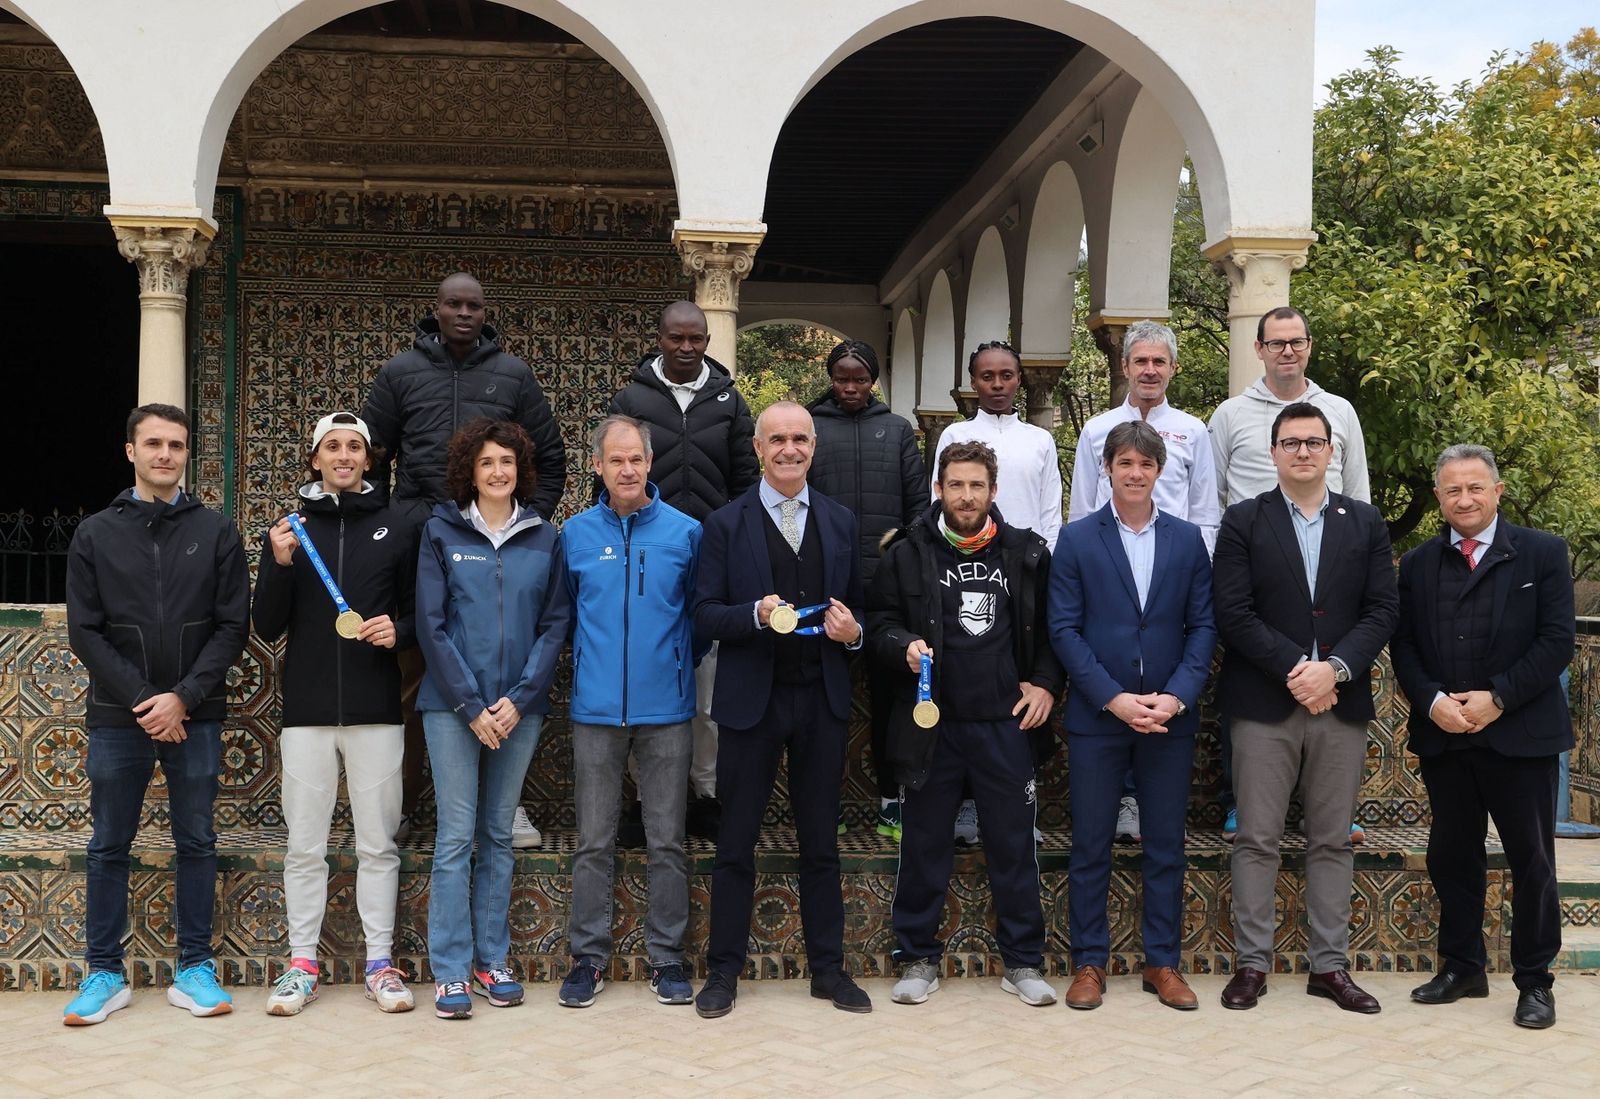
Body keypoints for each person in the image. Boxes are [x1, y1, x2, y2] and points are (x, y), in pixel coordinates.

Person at [362, 271, 566, 848]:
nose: (464, 314)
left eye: (474, 305)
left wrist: (529, 521)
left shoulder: (513, 374)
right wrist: (396, 523)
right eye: (453, 304)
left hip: (498, 547)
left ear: (485, 311)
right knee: (410, 675)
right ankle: (400, 804)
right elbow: (371, 457)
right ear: (436, 308)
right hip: (421, 543)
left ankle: (506, 805)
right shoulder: (401, 372)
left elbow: (549, 457)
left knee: (500, 671)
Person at [62, 404, 249, 1026]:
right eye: (153, 444)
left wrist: (184, 698)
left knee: (196, 841)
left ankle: (194, 968)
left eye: (176, 444)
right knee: (109, 844)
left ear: (187, 453)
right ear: (130, 451)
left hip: (196, 714)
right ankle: (103, 974)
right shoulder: (95, 534)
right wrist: (148, 701)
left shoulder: (217, 531)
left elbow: (231, 627)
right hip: (119, 717)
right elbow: (86, 633)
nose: (165, 454)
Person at [1212, 402, 1397, 1014]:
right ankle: (1252, 964)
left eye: (1314, 442)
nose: (1303, 452)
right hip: (1266, 701)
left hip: (1340, 704)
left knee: (1332, 839)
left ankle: (1330, 968)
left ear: (1331, 452)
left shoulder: (1365, 522)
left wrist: (1335, 669)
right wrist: (1299, 667)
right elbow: (1233, 612)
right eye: (1290, 443)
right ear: (1272, 453)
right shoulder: (1243, 521)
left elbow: (1382, 611)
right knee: (1258, 838)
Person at [691, 401, 870, 1019]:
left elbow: (863, 612)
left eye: (800, 439)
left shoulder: (843, 522)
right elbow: (705, 612)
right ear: (758, 450)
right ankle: (722, 973)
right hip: (751, 703)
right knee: (735, 841)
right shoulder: (725, 524)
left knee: (822, 843)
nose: (789, 449)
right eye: (778, 440)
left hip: (821, 700)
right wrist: (753, 615)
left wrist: (855, 635)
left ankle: (829, 970)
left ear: (813, 448)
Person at [872, 440, 1063, 1010]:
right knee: (924, 845)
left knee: (1013, 847)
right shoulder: (906, 552)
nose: (965, 495)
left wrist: (1046, 685)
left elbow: (1053, 632)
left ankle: (1024, 962)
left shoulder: (1026, 553)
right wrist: (901, 644)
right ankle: (917, 959)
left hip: (1004, 726)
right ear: (939, 488)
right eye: (955, 484)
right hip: (932, 725)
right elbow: (877, 621)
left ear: (994, 491)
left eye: (976, 485)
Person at [1391, 445, 1574, 1030]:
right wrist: (1434, 701)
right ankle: (1463, 966)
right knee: (1453, 857)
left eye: (1475, 488)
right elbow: (1407, 648)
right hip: (1448, 735)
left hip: (1520, 734)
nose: (1463, 500)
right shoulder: (1418, 564)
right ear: (1439, 499)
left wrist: (1498, 697)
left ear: (1497, 491)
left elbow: (1556, 642)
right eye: (1451, 490)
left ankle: (1535, 981)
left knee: (1532, 861)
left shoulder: (1542, 554)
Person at [250, 412, 418, 1017]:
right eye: (331, 447)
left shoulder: (400, 523)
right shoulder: (290, 530)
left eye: (354, 447)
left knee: (378, 845)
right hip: (308, 713)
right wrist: (277, 562)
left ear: (369, 459)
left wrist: (396, 629)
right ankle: (301, 964)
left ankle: (380, 963)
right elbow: (266, 624)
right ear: (314, 459)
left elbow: (423, 613)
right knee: (305, 845)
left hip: (377, 709)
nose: (343, 455)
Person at [1049, 421, 1217, 1011]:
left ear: (1159, 471)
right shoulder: (1076, 539)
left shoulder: (1187, 540)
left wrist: (1175, 697)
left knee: (1166, 845)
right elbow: (1064, 630)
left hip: (1169, 718)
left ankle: (1162, 963)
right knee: (1091, 844)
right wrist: (1114, 699)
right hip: (1100, 718)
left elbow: (1203, 628)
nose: (1136, 474)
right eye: (1125, 463)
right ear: (1108, 469)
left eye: (1146, 465)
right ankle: (1089, 963)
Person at [414, 418, 571, 1020]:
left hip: (518, 710)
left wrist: (520, 697)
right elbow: (429, 625)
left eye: (507, 462)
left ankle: (491, 961)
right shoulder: (439, 531)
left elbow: (555, 623)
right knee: (456, 837)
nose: (498, 472)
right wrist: (471, 705)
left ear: (520, 470)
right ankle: (451, 972)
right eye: (486, 463)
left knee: (497, 835)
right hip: (454, 709)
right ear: (469, 472)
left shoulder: (544, 538)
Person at [1207, 306, 1370, 842]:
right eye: (1275, 342)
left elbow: (1359, 491)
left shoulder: (1340, 411)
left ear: (1309, 345)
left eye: (1295, 341)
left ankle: (1334, 809)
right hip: (1256, 568)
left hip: (1331, 565)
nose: (1286, 351)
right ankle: (1240, 803)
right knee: (1255, 685)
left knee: (1333, 692)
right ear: (1259, 349)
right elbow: (1211, 499)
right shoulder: (1231, 414)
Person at [555, 415, 702, 1010]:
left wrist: (670, 664)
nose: (626, 469)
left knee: (667, 838)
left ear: (650, 462)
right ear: (598, 466)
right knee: (594, 840)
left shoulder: (686, 532)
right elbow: (564, 616)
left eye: (635, 458)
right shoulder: (575, 534)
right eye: (615, 460)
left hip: (666, 708)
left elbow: (700, 616)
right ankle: (588, 959)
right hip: (594, 710)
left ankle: (667, 958)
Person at [609, 300, 760, 841]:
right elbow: (611, 471)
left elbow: (746, 480)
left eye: (696, 339)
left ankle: (706, 794)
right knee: (644, 678)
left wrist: (740, 546)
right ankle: (646, 798)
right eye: (677, 338)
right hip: (647, 555)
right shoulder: (632, 398)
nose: (687, 348)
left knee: (708, 685)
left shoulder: (728, 400)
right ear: (660, 338)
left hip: (711, 559)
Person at [1068, 319, 1219, 845]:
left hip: (1174, 577)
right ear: (1125, 366)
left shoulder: (1194, 431)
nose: (1150, 370)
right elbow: (1083, 507)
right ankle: (1121, 798)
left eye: (1159, 361)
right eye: (1140, 361)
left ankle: (1145, 798)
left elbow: (1205, 510)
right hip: (1109, 572)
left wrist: (1199, 572)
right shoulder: (1097, 430)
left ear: (1172, 368)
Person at [929, 340, 1062, 843]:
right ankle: (966, 806)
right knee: (966, 687)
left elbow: (1051, 507)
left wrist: (1041, 563)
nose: (999, 384)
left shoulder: (1038, 439)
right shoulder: (955, 435)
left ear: (1019, 379)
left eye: (1007, 375)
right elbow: (939, 504)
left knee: (1020, 685)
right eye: (988, 376)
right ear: (973, 381)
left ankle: (1017, 805)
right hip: (965, 570)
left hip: (1024, 573)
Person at [807, 338, 929, 840]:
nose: (851, 386)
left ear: (873, 380)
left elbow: (919, 507)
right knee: (823, 702)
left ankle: (890, 800)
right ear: (832, 377)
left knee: (891, 700)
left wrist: (905, 568)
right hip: (827, 587)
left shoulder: (896, 429)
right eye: (842, 377)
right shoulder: (811, 428)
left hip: (884, 590)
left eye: (860, 378)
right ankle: (822, 802)